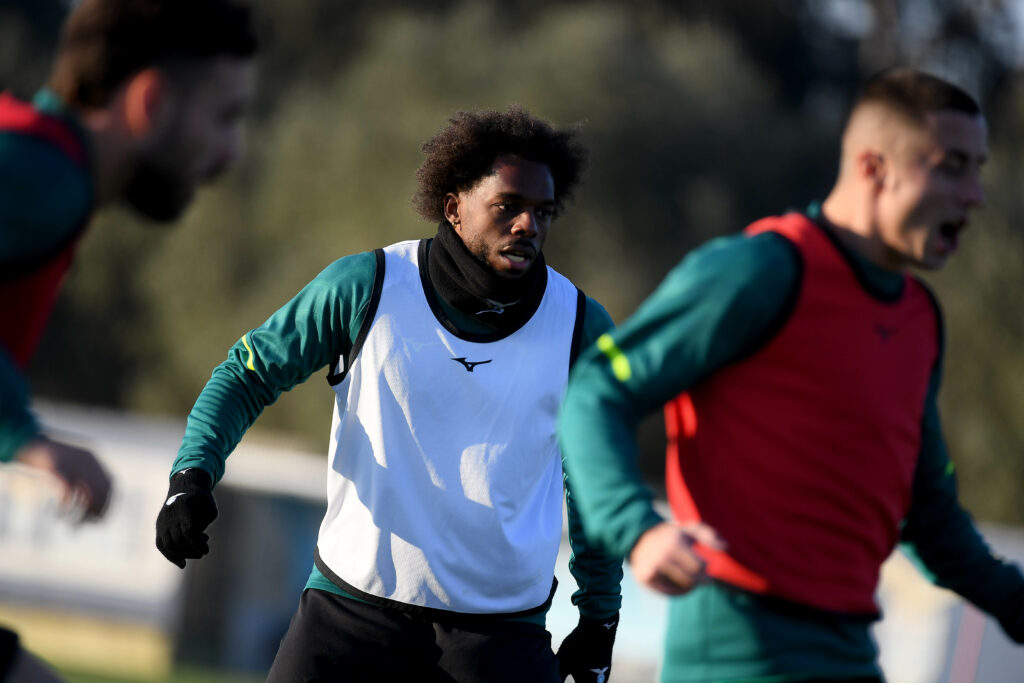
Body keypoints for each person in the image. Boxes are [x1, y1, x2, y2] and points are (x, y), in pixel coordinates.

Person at [558, 68, 1024, 682]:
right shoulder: (762, 270)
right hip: (736, 655)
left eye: (978, 169)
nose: (975, 195)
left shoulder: (919, 318)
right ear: (874, 167)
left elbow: (929, 517)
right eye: (952, 167)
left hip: (851, 652)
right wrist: (638, 531)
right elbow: (595, 394)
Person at [154, 105, 624, 682]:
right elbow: (247, 375)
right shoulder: (366, 287)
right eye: (508, 206)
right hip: (349, 616)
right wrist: (192, 474)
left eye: (543, 212)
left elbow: (598, 478)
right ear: (453, 206)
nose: (529, 225)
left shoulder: (580, 327)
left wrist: (599, 617)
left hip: (501, 639)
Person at [0, 0, 258, 680]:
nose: (229, 153)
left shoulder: (34, 157)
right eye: (223, 116)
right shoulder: (42, 178)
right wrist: (24, 435)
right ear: (150, 101)